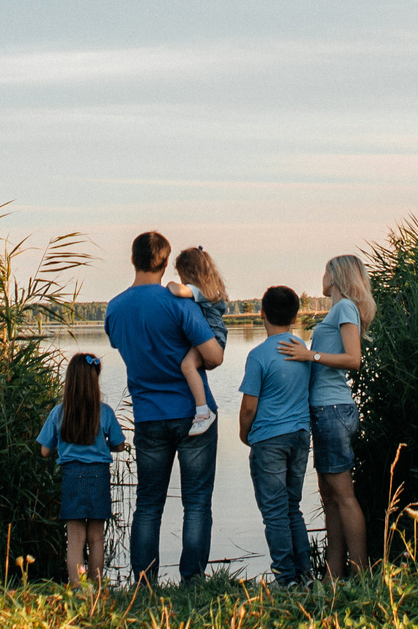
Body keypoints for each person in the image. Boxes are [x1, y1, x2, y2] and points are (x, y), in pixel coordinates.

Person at [102, 229, 225, 586]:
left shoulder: (115, 308)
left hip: (148, 415)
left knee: (148, 503)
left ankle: (144, 582)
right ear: (166, 262)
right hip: (193, 413)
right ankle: (192, 580)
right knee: (196, 501)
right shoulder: (179, 303)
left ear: (133, 259)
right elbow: (214, 357)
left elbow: (121, 344)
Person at [279, 253, 372, 583]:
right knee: (330, 497)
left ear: (336, 277)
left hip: (333, 410)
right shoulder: (338, 310)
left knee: (343, 496)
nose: (322, 277)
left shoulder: (345, 307)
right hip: (324, 410)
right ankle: (333, 576)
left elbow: (353, 359)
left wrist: (310, 355)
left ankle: (361, 575)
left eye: (325, 272)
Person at [237, 283, 315, 586]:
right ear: (295, 317)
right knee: (292, 506)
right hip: (300, 435)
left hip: (269, 439)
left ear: (262, 313)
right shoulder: (302, 351)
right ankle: (305, 574)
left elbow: (248, 407)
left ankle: (285, 578)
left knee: (274, 512)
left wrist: (244, 434)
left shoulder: (258, 355)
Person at [35, 352, 126, 587]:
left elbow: (44, 450)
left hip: (71, 476)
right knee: (96, 538)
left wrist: (63, 447)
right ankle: (96, 587)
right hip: (99, 476)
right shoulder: (105, 412)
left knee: (75, 539)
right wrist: (104, 445)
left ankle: (77, 587)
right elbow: (119, 445)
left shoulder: (59, 412)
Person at [165, 245, 231, 435]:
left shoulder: (200, 291)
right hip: (215, 335)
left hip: (213, 337)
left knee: (187, 365)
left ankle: (203, 412)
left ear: (188, 273)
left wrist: (169, 285)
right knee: (189, 365)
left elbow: (179, 291)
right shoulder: (209, 291)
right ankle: (202, 410)